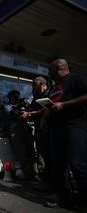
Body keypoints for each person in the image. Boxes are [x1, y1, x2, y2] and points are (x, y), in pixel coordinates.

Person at [47, 58, 87, 209]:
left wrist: (64, 104)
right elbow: (52, 104)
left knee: (78, 165)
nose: (49, 74)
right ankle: (65, 199)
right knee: (58, 167)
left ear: (58, 68)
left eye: (50, 70)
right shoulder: (55, 86)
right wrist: (45, 116)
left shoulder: (76, 78)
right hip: (57, 129)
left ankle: (84, 200)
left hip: (75, 126)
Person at [21, 76, 53, 186]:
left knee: (46, 154)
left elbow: (46, 108)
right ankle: (45, 181)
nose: (33, 87)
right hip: (39, 129)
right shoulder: (36, 96)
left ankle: (50, 182)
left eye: (34, 85)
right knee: (41, 153)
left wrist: (29, 113)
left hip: (49, 129)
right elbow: (32, 109)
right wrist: (25, 111)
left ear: (42, 84)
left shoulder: (49, 94)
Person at [6, 90, 38, 181]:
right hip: (15, 131)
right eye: (15, 96)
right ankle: (28, 175)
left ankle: (36, 174)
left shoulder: (23, 104)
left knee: (32, 152)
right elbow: (12, 114)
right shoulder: (8, 106)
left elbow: (30, 113)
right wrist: (21, 109)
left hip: (26, 129)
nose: (17, 98)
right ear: (11, 97)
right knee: (21, 153)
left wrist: (26, 107)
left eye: (18, 96)